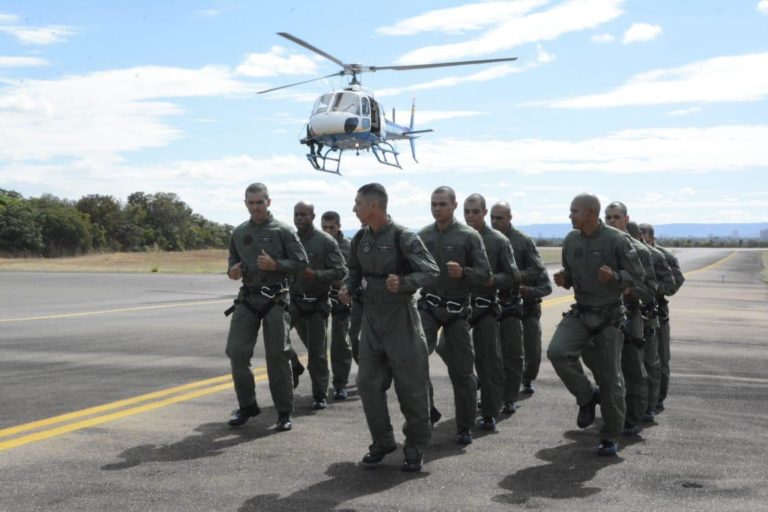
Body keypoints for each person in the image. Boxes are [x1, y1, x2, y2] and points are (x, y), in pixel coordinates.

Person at [339, 183, 439, 472]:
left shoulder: (403, 237)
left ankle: (416, 447)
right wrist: (347, 287)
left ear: (374, 206)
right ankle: (382, 441)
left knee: (411, 389)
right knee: (367, 384)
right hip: (371, 319)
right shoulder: (360, 239)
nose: (354, 208)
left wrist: (405, 283)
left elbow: (431, 270)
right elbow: (354, 270)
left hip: (401, 320)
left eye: (358, 203)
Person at [547, 193, 644, 456]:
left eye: (574, 211)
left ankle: (610, 437)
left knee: (610, 379)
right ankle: (588, 396)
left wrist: (615, 277)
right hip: (581, 312)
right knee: (557, 352)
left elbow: (638, 277)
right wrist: (564, 279)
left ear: (590, 213)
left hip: (609, 317)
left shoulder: (617, 240)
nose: (570, 215)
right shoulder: (571, 240)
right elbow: (571, 276)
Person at [224, 183, 308, 431]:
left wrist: (276, 265)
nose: (255, 207)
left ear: (268, 202)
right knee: (236, 351)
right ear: (245, 204)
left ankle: (284, 411)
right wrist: (232, 271)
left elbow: (301, 262)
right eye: (251, 203)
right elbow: (232, 260)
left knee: (277, 355)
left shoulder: (283, 231)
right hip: (248, 297)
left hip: (275, 298)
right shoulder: (239, 232)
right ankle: (247, 405)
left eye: (259, 202)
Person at [418, 186, 491, 446]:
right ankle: (426, 412)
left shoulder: (469, 236)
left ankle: (464, 426)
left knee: (462, 372)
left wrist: (464, 273)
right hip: (427, 307)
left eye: (442, 204)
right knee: (414, 361)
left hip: (456, 310)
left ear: (454, 205)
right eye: (434, 204)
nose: (437, 208)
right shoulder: (423, 235)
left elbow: (485, 274)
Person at [463, 194, 520, 431]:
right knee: (447, 349)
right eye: (467, 211)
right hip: (460, 306)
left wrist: (491, 281)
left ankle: (489, 412)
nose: (470, 216)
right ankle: (473, 383)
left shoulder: (498, 241)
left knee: (489, 360)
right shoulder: (459, 237)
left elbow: (512, 275)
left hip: (486, 306)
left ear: (484, 213)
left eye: (475, 211)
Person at [490, 202, 552, 405]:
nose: (495, 221)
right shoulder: (486, 240)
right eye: (492, 217)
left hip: (526, 307)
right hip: (498, 307)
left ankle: (527, 378)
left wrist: (523, 286)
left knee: (532, 353)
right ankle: (501, 391)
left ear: (510, 218)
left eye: (499, 218)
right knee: (499, 353)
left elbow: (543, 280)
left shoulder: (524, 242)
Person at [604, 202, 657, 436]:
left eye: (616, 217)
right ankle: (611, 412)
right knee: (606, 369)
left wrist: (629, 291)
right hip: (603, 316)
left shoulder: (641, 251)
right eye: (608, 217)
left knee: (633, 365)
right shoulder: (600, 248)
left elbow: (650, 290)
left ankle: (633, 417)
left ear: (626, 219)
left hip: (630, 314)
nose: (612, 221)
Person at [289, 202, 347, 410]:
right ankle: (295, 365)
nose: (299, 218)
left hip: (317, 303)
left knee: (317, 353)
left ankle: (319, 394)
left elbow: (340, 271)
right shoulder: (288, 238)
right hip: (293, 300)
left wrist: (317, 275)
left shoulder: (325, 241)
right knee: (276, 338)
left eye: (303, 214)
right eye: (296, 214)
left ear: (312, 216)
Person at [627, 220, 675, 420]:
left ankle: (654, 402)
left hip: (653, 312)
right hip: (629, 313)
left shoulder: (657, 255)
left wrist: (651, 291)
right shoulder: (619, 252)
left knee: (655, 360)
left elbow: (672, 283)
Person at [639, 223, 685, 412]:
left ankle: (658, 398)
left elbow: (676, 281)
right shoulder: (633, 253)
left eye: (643, 236)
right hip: (637, 311)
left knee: (661, 358)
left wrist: (655, 290)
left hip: (658, 310)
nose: (640, 239)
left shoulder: (663, 256)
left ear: (652, 237)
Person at [320, 211, 354, 401]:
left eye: (331, 227)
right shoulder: (317, 243)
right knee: (316, 342)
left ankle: (340, 384)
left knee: (341, 342)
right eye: (324, 227)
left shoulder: (349, 246)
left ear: (339, 227)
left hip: (343, 298)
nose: (327, 231)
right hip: (319, 297)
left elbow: (357, 271)